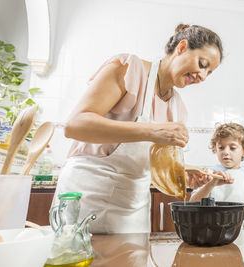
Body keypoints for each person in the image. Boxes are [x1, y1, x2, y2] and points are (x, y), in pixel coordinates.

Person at [54, 24, 223, 234]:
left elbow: (151, 161)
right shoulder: (129, 68)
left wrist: (184, 172)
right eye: (202, 63)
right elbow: (75, 125)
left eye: (209, 72)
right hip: (88, 193)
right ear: (181, 47)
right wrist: (152, 131)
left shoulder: (178, 108)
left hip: (134, 207)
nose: (203, 76)